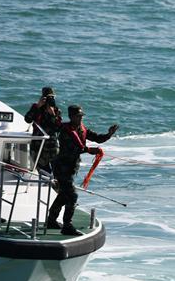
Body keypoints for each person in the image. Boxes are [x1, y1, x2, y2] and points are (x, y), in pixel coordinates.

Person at [47, 105, 118, 235]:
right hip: (61, 168)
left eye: (81, 116)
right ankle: (67, 226)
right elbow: (76, 148)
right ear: (71, 117)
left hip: (71, 168)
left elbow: (97, 138)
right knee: (72, 196)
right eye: (77, 116)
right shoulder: (65, 130)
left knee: (63, 195)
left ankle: (51, 220)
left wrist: (109, 134)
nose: (80, 118)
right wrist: (91, 150)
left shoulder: (82, 129)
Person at [24, 87, 62, 172]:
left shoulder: (56, 110)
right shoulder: (36, 107)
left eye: (52, 97)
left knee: (56, 170)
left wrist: (52, 114)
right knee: (41, 169)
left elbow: (58, 128)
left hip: (52, 146)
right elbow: (27, 119)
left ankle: (51, 184)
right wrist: (38, 106)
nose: (50, 99)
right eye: (48, 97)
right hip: (38, 145)